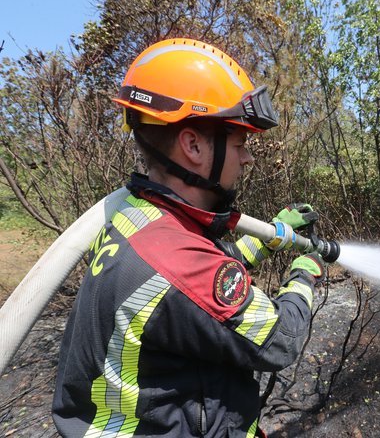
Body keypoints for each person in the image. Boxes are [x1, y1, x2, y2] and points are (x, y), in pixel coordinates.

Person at [52, 38, 327, 438]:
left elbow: (195, 282)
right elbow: (280, 341)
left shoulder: (136, 215)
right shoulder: (174, 262)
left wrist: (266, 240)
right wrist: (305, 274)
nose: (247, 158)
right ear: (193, 145)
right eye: (240, 143)